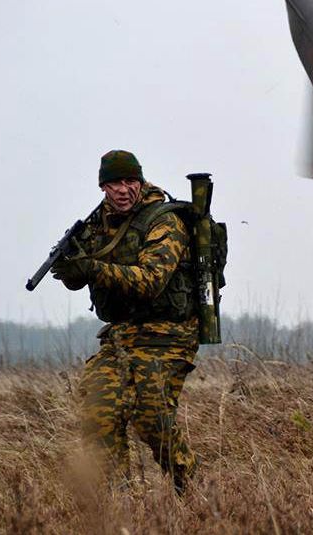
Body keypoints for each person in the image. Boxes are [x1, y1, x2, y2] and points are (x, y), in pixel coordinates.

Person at [51, 150, 198, 493]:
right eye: (115, 182)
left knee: (151, 418)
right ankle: (120, 499)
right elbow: (78, 276)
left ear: (141, 182)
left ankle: (189, 486)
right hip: (120, 336)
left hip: (168, 335)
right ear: (103, 186)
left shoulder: (164, 220)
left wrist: (91, 268)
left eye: (130, 181)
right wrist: (71, 268)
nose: (123, 189)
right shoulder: (95, 225)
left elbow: (150, 280)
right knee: (98, 413)